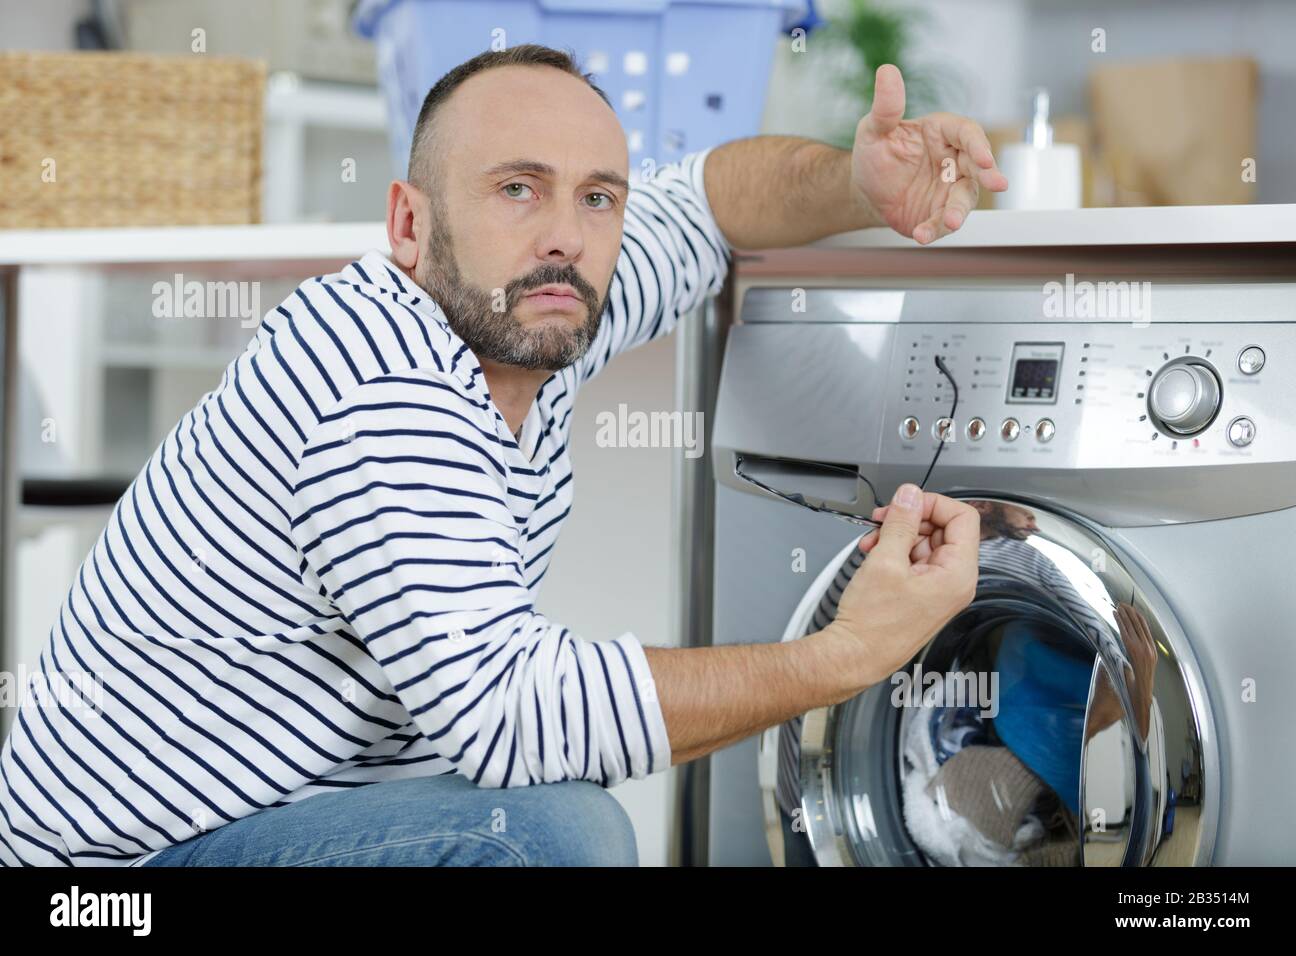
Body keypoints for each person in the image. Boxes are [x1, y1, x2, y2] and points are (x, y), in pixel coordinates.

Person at [0, 44, 1003, 867]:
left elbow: (707, 199)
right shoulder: (382, 387)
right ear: (409, 223)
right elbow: (508, 715)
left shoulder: (535, 301)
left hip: (271, 815)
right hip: (112, 877)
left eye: (596, 197)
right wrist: (848, 654)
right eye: (516, 189)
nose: (564, 235)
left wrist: (857, 181)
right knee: (553, 834)